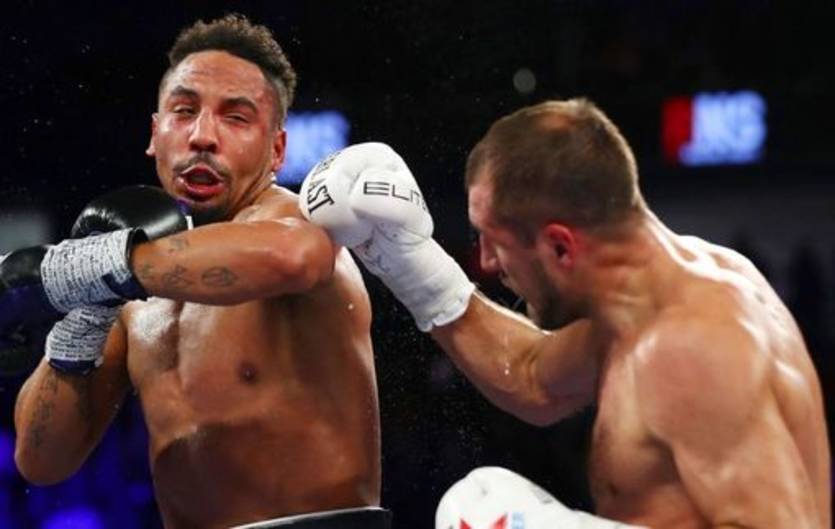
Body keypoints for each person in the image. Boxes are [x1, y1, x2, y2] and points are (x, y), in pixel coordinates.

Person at [300, 99, 831, 528]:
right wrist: (403, 258)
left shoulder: (693, 347)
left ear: (559, 246)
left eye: (494, 242)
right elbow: (534, 375)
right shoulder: (644, 302)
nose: (488, 263)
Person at [6, 14, 388, 529]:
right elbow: (42, 461)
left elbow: (295, 256)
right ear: (155, 134)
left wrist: (79, 267)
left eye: (236, 118)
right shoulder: (133, 282)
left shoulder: (302, 223)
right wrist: (84, 314)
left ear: (277, 149)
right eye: (184, 112)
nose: (203, 136)